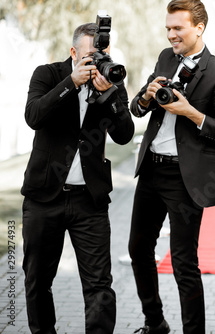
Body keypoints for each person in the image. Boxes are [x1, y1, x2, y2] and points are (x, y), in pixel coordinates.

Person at [127, 1, 215, 333]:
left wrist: (191, 112)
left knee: (183, 263)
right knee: (138, 249)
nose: (171, 34)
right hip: (150, 171)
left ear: (199, 27)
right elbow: (137, 110)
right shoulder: (165, 58)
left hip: (185, 179)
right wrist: (147, 97)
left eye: (178, 28)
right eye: (168, 28)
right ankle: (155, 323)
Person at [21, 22, 134, 333]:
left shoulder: (112, 81)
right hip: (44, 197)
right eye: (90, 55)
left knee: (99, 285)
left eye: (103, 53)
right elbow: (34, 116)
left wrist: (109, 93)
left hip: (90, 200)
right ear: (73, 53)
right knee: (37, 280)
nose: (98, 61)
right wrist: (71, 83)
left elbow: (124, 135)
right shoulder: (48, 74)